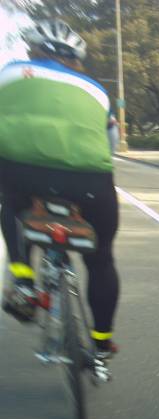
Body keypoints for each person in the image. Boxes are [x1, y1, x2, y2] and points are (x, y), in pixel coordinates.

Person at [0, 19, 120, 359]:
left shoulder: (10, 72)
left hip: (21, 172)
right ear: (76, 61)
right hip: (90, 181)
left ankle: (23, 282)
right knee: (101, 260)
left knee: (9, 203)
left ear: (34, 51)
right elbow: (109, 142)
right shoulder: (97, 90)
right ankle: (101, 342)